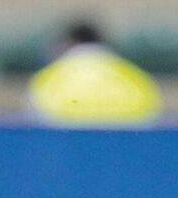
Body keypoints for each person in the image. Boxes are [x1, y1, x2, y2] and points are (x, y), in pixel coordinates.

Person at [28, 20, 163, 125]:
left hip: (67, 155)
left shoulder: (47, 80)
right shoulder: (136, 78)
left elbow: (37, 127)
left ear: (68, 43)